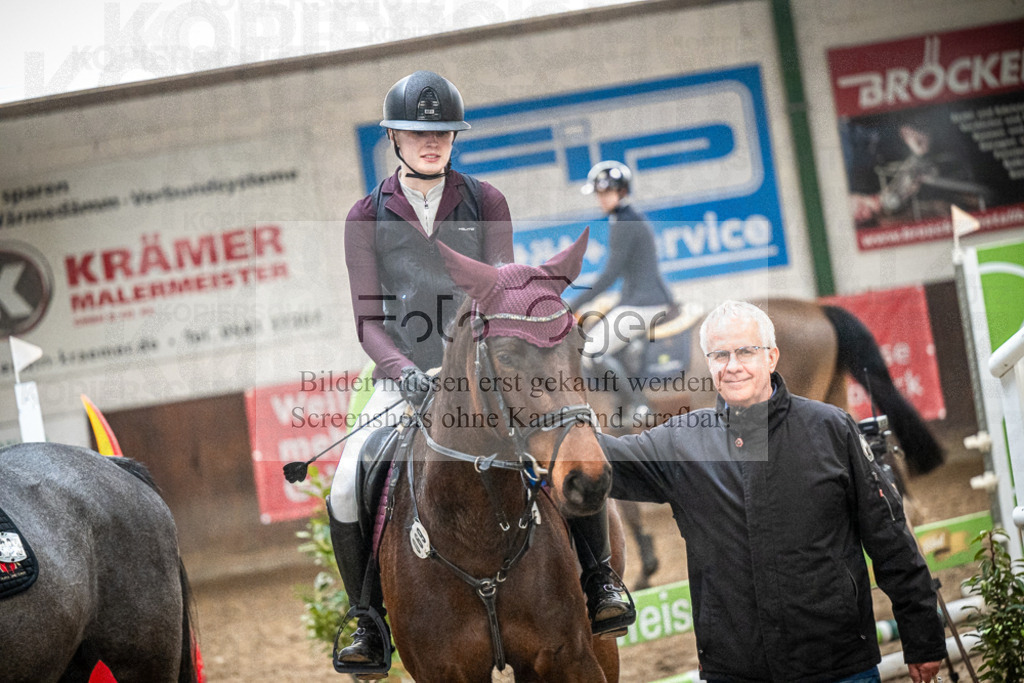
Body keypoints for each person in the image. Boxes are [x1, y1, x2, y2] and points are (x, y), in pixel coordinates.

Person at [327, 71, 633, 677]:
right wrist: (406, 375)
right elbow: (368, 322)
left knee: (563, 445)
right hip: (404, 372)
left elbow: (502, 295)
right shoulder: (365, 216)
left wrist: (477, 364)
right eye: (418, 132)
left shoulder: (485, 200)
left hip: (487, 364)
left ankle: (597, 580)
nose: (431, 142)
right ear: (394, 136)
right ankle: (367, 618)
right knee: (345, 478)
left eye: (442, 132)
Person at [598, 300, 946, 682]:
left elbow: (890, 540)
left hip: (840, 665)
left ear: (772, 356)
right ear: (708, 363)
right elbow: (606, 459)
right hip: (737, 670)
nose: (732, 366)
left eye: (746, 351)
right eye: (719, 355)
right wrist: (547, 422)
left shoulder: (832, 429)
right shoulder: (682, 441)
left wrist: (923, 637)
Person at [569, 160, 674, 364]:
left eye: (606, 193)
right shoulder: (624, 219)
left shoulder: (625, 223)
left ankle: (634, 398)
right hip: (638, 299)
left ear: (623, 192)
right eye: (599, 194)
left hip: (645, 303)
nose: (601, 199)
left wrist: (575, 304)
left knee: (591, 353)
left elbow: (610, 275)